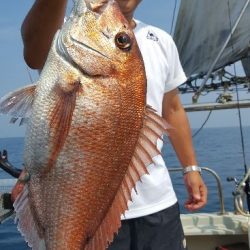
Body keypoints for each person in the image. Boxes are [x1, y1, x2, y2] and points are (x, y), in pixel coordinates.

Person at [20, 0, 207, 249]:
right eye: (122, 41)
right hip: (80, 213)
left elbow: (172, 109)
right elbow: (33, 54)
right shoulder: (63, 31)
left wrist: (190, 167)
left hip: (159, 205)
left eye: (122, 41)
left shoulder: (161, 40)